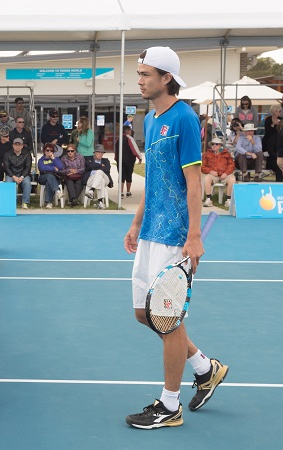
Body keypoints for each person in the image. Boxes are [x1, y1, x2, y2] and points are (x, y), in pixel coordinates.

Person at [124, 47, 228, 430]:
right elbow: (153, 180)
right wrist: (136, 222)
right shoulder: (151, 119)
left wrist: (194, 235)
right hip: (151, 230)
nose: (139, 80)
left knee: (167, 319)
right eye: (139, 73)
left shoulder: (184, 118)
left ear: (166, 77)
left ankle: (169, 406)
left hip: (175, 237)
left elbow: (193, 182)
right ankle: (205, 368)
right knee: (144, 313)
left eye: (146, 74)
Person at [202, 137, 235, 208]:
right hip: (213, 175)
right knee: (207, 178)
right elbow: (202, 167)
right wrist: (210, 171)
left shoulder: (226, 153)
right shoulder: (207, 154)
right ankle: (208, 199)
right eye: (212, 144)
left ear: (220, 145)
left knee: (232, 179)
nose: (214, 145)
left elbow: (231, 165)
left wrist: (226, 173)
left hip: (225, 174)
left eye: (216, 144)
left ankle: (228, 199)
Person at [82, 144, 113, 210]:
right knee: (101, 180)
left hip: (105, 178)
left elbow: (107, 169)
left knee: (99, 172)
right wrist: (101, 165)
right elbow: (89, 166)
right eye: (99, 152)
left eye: (102, 153)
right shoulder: (88, 159)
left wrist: (95, 166)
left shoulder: (106, 161)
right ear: (94, 153)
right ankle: (100, 202)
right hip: (91, 179)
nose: (101, 154)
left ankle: (91, 190)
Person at [4, 138, 32, 209]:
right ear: (13, 145)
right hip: (11, 175)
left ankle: (25, 203)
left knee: (27, 183)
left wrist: (22, 176)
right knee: (9, 182)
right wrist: (13, 176)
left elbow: (28, 167)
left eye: (19, 145)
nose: (17, 146)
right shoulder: (7, 154)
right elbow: (6, 167)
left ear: (22, 146)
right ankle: (11, 202)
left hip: (23, 174)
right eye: (15, 145)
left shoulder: (27, 154)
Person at [115, 125, 143, 197]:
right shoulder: (130, 138)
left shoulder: (118, 139)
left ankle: (121, 192)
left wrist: (116, 157)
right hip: (129, 160)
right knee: (129, 175)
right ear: (127, 131)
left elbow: (116, 150)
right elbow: (135, 149)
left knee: (121, 175)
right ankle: (128, 191)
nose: (131, 131)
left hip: (120, 160)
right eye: (130, 130)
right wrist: (139, 157)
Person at [37, 143, 64, 209]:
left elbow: (60, 167)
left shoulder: (56, 159)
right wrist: (53, 168)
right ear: (44, 151)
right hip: (43, 177)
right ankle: (57, 191)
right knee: (49, 176)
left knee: (49, 181)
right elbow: (42, 168)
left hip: (55, 177)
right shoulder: (41, 160)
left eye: (51, 151)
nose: (49, 152)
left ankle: (49, 203)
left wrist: (53, 159)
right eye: (47, 150)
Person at [262, 103, 283, 182]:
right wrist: (274, 124)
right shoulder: (268, 119)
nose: (280, 112)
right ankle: (279, 183)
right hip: (270, 140)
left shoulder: (281, 119)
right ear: (275, 111)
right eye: (279, 111)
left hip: (278, 140)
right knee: (278, 165)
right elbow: (268, 131)